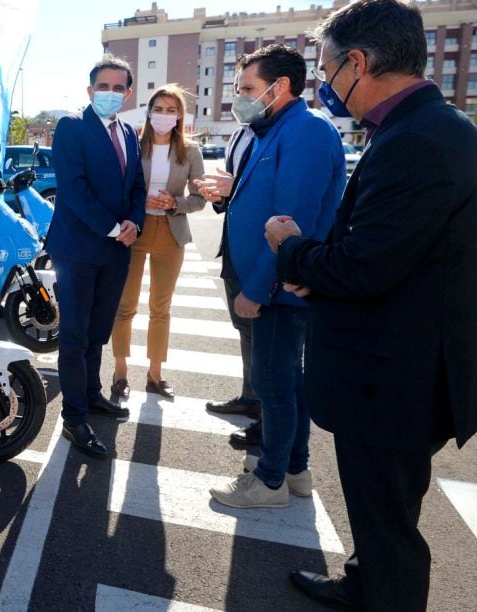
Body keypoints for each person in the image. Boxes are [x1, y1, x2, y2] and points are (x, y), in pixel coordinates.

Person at [267, 1, 477, 609]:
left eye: (328, 70)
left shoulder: (418, 141)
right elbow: (392, 253)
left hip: (392, 380)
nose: (328, 87)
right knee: (381, 510)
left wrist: (293, 251)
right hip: (399, 369)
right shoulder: (432, 128)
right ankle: (364, 583)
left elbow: (364, 267)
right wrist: (324, 269)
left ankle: (381, 594)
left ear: (358, 62)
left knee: (388, 526)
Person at [206, 44, 346, 509]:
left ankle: (268, 482)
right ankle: (295, 469)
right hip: (276, 285)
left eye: (247, 88)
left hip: (279, 289)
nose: (239, 98)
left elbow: (291, 223)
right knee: (287, 381)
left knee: (271, 385)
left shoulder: (304, 131)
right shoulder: (276, 128)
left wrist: (257, 289)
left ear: (279, 86)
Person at [49, 54, 146, 459]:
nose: (110, 93)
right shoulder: (71, 127)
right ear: (90, 91)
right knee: (74, 336)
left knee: (98, 332)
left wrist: (134, 223)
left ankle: (91, 394)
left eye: (117, 87)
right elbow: (73, 188)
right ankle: (74, 417)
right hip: (78, 249)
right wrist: (113, 226)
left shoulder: (127, 131)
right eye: (102, 87)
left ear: (127, 94)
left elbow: (137, 188)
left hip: (116, 250)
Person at [110, 84, 205, 402]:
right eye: (159, 109)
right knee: (125, 307)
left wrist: (175, 203)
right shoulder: (134, 147)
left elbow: (199, 199)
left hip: (171, 233)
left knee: (160, 308)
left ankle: (155, 374)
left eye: (171, 110)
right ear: (149, 112)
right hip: (135, 231)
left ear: (180, 115)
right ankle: (120, 373)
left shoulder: (191, 151)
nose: (164, 116)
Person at [197, 102, 263, 448]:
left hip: (260, 250)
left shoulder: (278, 135)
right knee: (245, 329)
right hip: (233, 248)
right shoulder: (238, 134)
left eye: (249, 89)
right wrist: (218, 196)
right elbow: (232, 193)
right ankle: (250, 397)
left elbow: (267, 192)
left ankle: (267, 414)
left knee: (265, 335)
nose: (240, 100)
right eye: (238, 90)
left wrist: (234, 187)